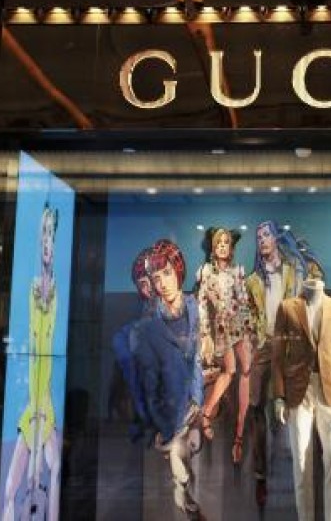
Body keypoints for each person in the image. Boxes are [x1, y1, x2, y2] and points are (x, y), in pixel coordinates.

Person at [244, 220, 320, 506]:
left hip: (293, 342)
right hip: (265, 345)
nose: (262, 240)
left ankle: (304, 465)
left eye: (267, 235)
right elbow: (249, 313)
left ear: (276, 239)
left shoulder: (294, 269)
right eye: (258, 236)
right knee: (256, 406)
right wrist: (253, 335)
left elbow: (315, 278)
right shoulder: (253, 280)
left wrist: (303, 253)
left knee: (299, 400)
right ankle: (261, 473)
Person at [272, 278, 331, 521]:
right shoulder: (287, 307)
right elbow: (277, 356)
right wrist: (278, 395)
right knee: (301, 462)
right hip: (299, 390)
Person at [133, 239, 204, 518]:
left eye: (167, 274)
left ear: (178, 272)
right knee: (176, 452)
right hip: (168, 400)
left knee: (189, 449)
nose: (162, 283)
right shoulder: (151, 317)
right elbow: (148, 371)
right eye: (156, 277)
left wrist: (198, 397)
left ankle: (185, 491)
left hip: (193, 396)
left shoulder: (193, 306)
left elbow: (197, 353)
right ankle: (184, 493)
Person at [2, 203, 63, 521]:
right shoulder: (32, 288)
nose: (46, 243)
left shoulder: (54, 289)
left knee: (53, 471)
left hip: (45, 403)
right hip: (32, 405)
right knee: (10, 490)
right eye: (43, 235)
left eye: (50, 235)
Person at [195, 227, 256, 464]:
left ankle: (239, 436)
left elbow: (243, 299)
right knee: (229, 371)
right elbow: (201, 305)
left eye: (226, 242)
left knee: (247, 371)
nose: (222, 245)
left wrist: (249, 326)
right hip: (221, 328)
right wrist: (205, 334)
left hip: (240, 326)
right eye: (218, 242)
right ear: (213, 247)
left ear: (231, 248)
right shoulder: (206, 272)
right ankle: (207, 411)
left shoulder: (237, 271)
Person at [110, 247, 156, 441]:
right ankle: (140, 416)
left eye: (150, 281)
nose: (148, 288)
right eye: (143, 284)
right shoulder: (141, 306)